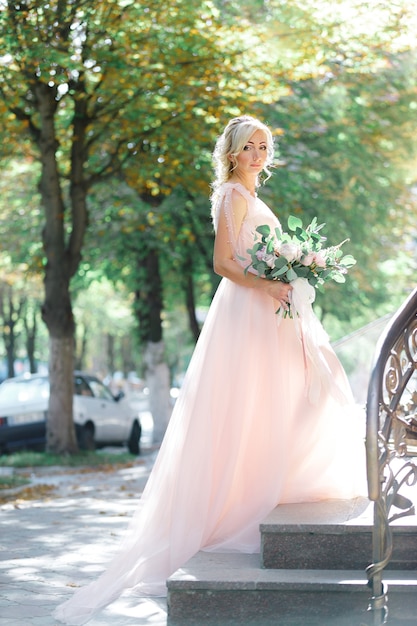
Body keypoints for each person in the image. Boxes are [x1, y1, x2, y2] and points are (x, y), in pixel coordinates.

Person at [54, 115, 366, 625]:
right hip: (248, 309)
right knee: (252, 400)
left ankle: (285, 479)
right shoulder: (231, 196)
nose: (260, 154)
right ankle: (242, 496)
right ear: (233, 153)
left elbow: (258, 253)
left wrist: (293, 268)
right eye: (251, 147)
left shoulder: (252, 195)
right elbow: (223, 262)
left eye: (265, 146)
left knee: (293, 391)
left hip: (272, 308)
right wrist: (269, 284)